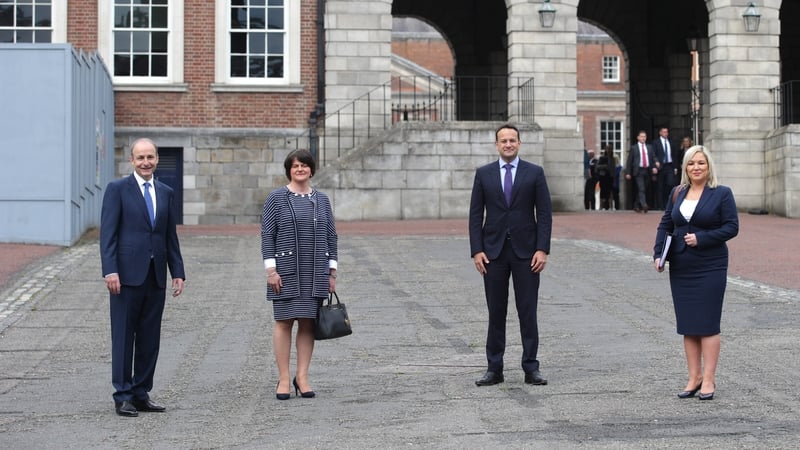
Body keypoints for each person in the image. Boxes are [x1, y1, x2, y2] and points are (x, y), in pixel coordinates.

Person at [100, 138, 186, 417]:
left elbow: (168, 236)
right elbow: (108, 235)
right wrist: (110, 270)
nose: (146, 162)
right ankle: (122, 395)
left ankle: (141, 392)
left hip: (155, 276)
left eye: (150, 157)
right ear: (132, 161)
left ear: (157, 159)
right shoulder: (117, 190)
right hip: (125, 277)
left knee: (150, 337)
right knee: (124, 336)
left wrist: (178, 272)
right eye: (140, 158)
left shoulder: (165, 191)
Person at [469, 124, 552, 387]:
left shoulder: (535, 173)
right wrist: (477, 250)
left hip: (527, 253)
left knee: (528, 311)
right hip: (492, 254)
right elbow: (474, 215)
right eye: (503, 141)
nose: (508, 144)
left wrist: (542, 249)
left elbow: (545, 215)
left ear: (519, 143)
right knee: (496, 312)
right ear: (496, 145)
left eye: (512, 140)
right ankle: (494, 368)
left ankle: (531, 367)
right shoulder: (484, 174)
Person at [653, 145, 738, 401]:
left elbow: (732, 227)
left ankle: (709, 379)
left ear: (708, 166)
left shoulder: (722, 193)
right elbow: (666, 224)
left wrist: (702, 238)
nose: (696, 167)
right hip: (682, 266)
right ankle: (694, 377)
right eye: (691, 164)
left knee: (708, 324)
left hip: (711, 264)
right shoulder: (677, 193)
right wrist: (658, 254)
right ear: (685, 168)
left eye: (701, 163)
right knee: (689, 325)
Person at [261, 149, 338, 400]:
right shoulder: (276, 198)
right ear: (289, 170)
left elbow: (331, 236)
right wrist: (271, 270)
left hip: (315, 269)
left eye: (304, 165)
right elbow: (267, 235)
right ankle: (284, 378)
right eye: (295, 166)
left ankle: (302, 377)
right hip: (285, 271)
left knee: (307, 322)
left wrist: (332, 271)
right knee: (284, 322)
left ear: (312, 169)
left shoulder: (322, 200)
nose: (300, 169)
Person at [625, 130, 658, 213]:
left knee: (643, 189)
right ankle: (644, 205)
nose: (643, 138)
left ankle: (636, 205)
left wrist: (655, 164)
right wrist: (628, 172)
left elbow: (653, 157)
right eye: (642, 136)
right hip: (638, 171)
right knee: (641, 188)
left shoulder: (649, 147)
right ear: (638, 138)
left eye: (645, 137)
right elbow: (629, 161)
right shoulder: (634, 148)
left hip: (647, 170)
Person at [653, 127, 677, 210]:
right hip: (660, 167)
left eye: (666, 132)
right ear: (660, 133)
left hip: (669, 166)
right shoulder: (656, 143)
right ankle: (660, 205)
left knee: (670, 184)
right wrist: (655, 165)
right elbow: (653, 155)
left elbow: (674, 155)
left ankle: (668, 203)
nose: (665, 133)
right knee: (660, 186)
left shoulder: (671, 142)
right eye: (663, 132)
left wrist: (675, 167)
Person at [596, 144, 617, 210]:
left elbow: (613, 168)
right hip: (603, 176)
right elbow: (597, 166)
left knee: (610, 191)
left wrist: (614, 177)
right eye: (607, 149)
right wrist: (604, 166)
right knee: (603, 191)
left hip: (610, 177)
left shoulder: (613, 158)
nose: (609, 150)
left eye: (610, 149)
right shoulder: (602, 158)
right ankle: (601, 206)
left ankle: (610, 206)